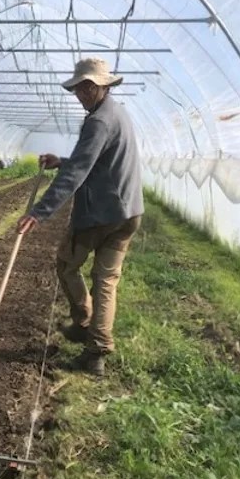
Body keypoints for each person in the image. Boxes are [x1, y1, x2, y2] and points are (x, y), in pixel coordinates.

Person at [17, 57, 144, 376]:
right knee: (107, 280)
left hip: (102, 213)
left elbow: (78, 172)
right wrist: (62, 160)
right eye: (77, 88)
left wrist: (39, 212)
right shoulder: (116, 113)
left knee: (66, 263)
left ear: (98, 86)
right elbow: (94, 159)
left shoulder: (98, 120)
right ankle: (96, 353)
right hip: (129, 212)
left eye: (85, 87)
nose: (80, 93)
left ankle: (84, 322)